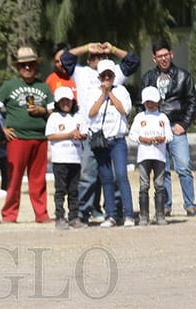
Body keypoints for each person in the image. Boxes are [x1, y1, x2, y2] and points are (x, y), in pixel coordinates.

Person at [68, 41, 140, 223]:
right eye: (94, 56)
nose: (97, 59)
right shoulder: (82, 73)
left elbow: (133, 61)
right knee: (90, 176)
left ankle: (120, 212)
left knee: (119, 177)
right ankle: (84, 214)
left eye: (102, 56)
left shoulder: (118, 82)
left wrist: (113, 49)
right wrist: (86, 48)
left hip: (115, 136)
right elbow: (65, 59)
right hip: (93, 134)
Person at [140, 39, 196, 217]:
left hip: (176, 127)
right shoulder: (148, 78)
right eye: (160, 56)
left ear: (171, 55)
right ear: (154, 58)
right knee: (162, 169)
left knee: (183, 166)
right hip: (156, 129)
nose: (164, 59)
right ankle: (165, 206)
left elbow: (192, 101)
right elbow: (140, 103)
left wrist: (184, 124)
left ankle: (190, 205)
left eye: (166, 55)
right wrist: (146, 124)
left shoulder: (183, 76)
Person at [0, 47, 52, 223]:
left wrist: (42, 110)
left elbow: (53, 112)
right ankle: (9, 214)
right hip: (17, 138)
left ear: (36, 66)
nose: (27, 68)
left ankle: (41, 214)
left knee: (38, 179)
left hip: (40, 138)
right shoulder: (9, 86)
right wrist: (1, 129)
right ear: (18, 68)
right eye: (23, 65)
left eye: (31, 65)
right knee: (14, 178)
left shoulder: (44, 86)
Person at [88, 59, 134, 228]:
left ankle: (128, 214)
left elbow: (124, 110)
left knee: (121, 176)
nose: (107, 78)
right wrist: (102, 95)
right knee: (106, 178)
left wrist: (110, 94)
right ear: (99, 77)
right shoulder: (93, 92)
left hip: (117, 139)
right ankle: (111, 215)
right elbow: (91, 113)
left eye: (110, 75)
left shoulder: (121, 90)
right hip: (101, 141)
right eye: (104, 75)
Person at [128, 86, 172, 226]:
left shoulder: (163, 117)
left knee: (159, 185)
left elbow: (170, 136)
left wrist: (162, 138)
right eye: (148, 102)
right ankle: (144, 216)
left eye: (153, 102)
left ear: (158, 102)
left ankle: (160, 215)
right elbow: (132, 134)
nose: (151, 105)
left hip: (159, 156)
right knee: (144, 185)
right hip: (144, 156)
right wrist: (142, 139)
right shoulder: (140, 117)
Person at [45, 86, 86, 229]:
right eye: (62, 101)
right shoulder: (54, 117)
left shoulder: (78, 117)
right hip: (60, 159)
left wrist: (79, 135)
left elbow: (84, 133)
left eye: (68, 101)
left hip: (75, 158)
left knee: (74, 190)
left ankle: (74, 217)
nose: (65, 103)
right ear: (57, 102)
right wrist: (69, 135)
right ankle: (59, 217)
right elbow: (50, 136)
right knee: (61, 190)